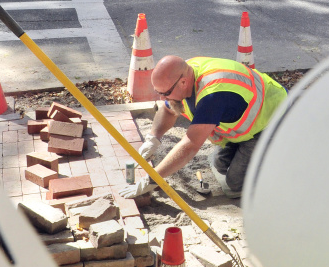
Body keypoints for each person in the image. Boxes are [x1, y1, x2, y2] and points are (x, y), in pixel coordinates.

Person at [119, 55, 287, 199]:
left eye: (165, 93)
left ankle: (278, 161)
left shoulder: (212, 96)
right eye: (159, 92)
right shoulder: (185, 73)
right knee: (218, 164)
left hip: (272, 121)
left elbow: (189, 146)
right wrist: (152, 139)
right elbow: (169, 110)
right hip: (246, 124)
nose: (162, 97)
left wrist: (152, 179)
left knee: (234, 185)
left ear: (183, 82)